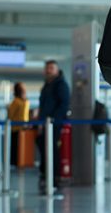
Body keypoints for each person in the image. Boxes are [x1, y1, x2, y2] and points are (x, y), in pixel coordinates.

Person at [33, 60, 70, 196]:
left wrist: (54, 120)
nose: (49, 70)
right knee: (44, 147)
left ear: (57, 69)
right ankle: (45, 174)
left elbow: (64, 104)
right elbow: (43, 105)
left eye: (52, 68)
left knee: (52, 150)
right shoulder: (47, 85)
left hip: (53, 123)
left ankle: (54, 177)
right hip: (45, 123)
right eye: (47, 68)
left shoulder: (61, 84)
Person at [7, 82, 30, 167]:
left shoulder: (20, 101)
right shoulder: (20, 101)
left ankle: (19, 163)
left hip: (20, 127)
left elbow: (12, 114)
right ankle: (17, 163)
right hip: (19, 127)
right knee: (17, 148)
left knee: (18, 147)